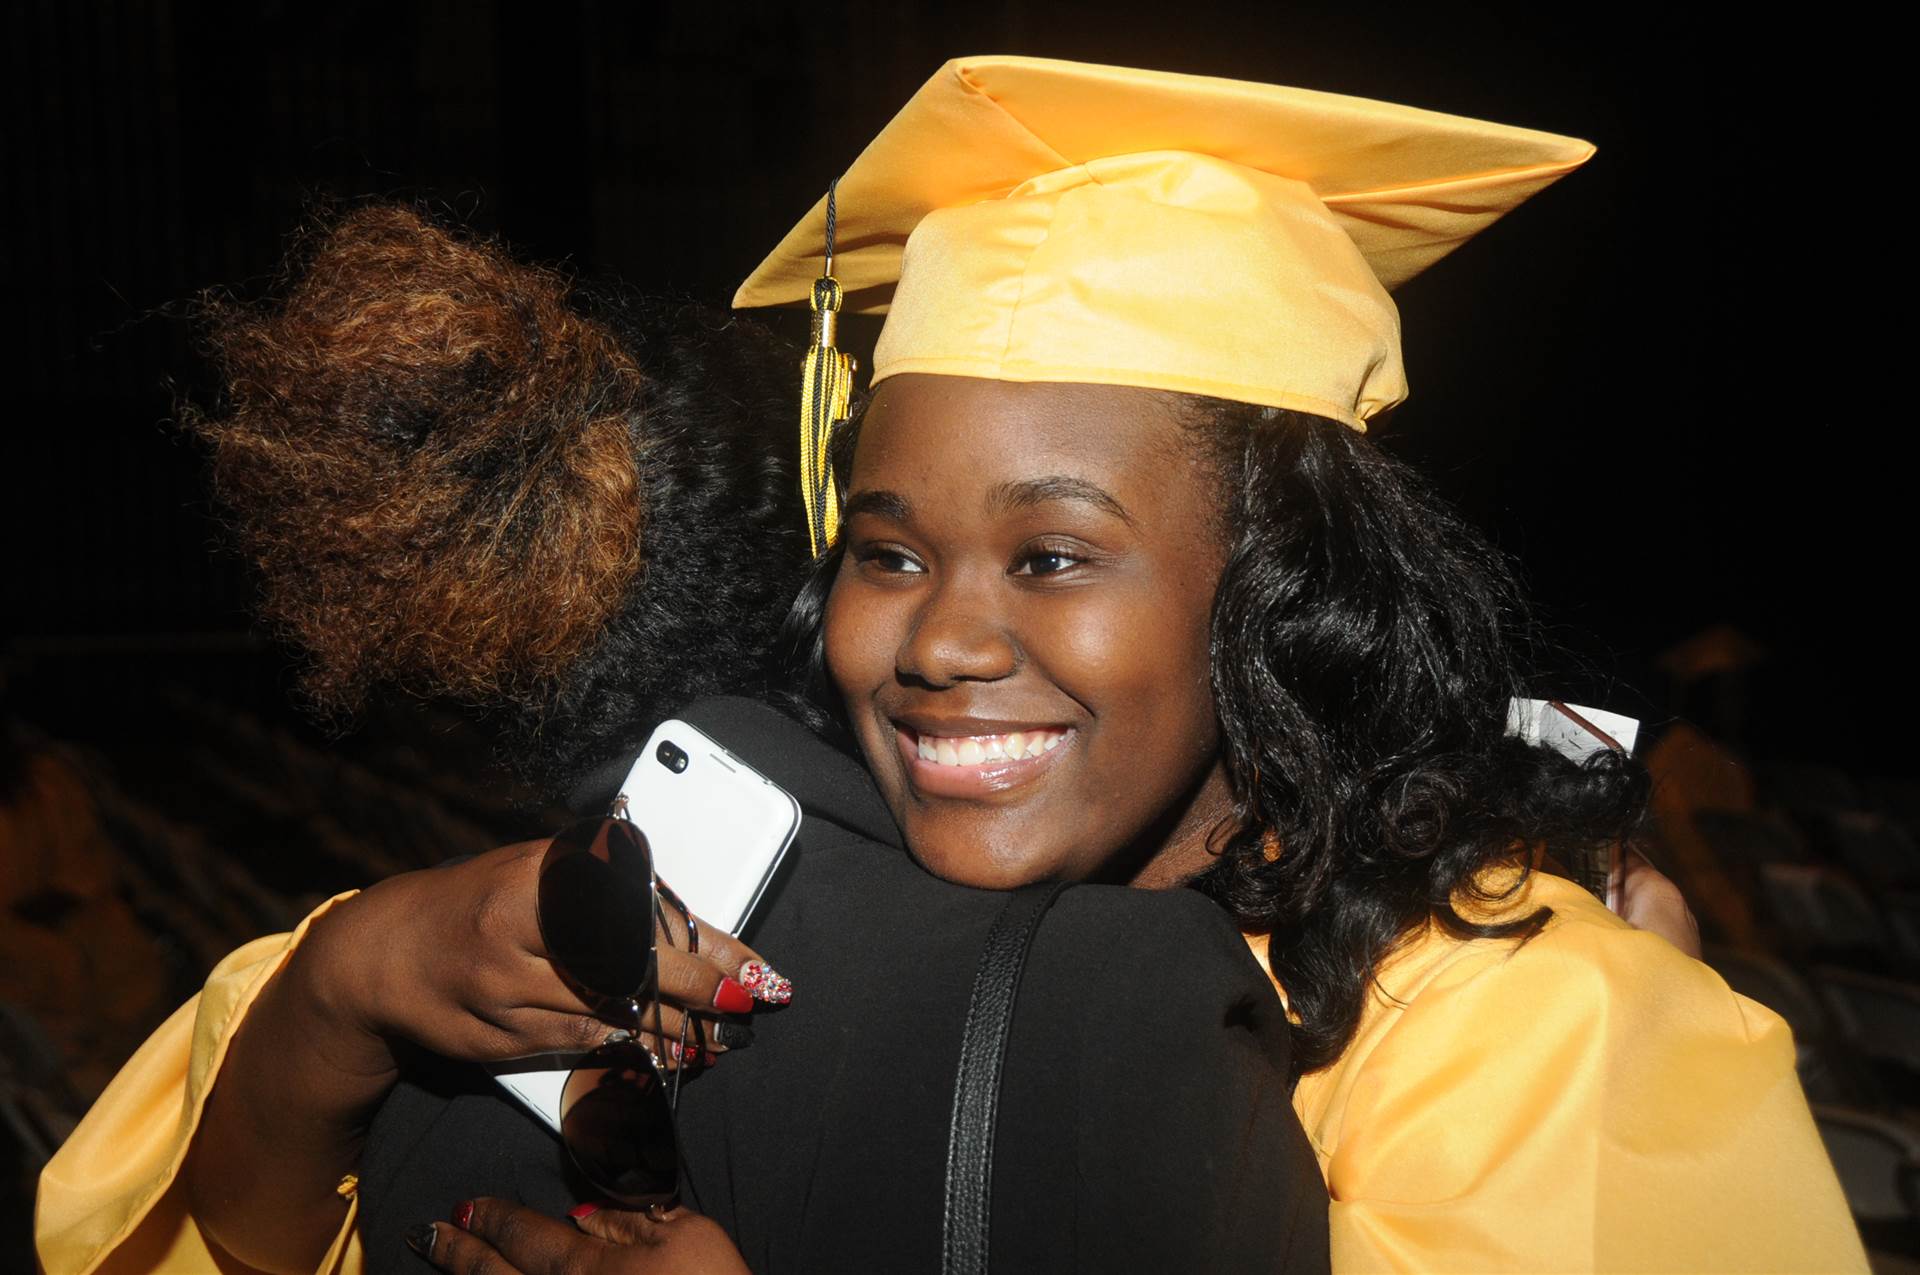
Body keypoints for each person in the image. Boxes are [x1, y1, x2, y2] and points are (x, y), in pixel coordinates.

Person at [39, 56, 1863, 1275]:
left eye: (1055, 554)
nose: (941, 639)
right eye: (886, 550)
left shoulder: (1514, 1029)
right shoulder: (731, 915)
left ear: (1281, 591)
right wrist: (349, 991)